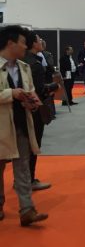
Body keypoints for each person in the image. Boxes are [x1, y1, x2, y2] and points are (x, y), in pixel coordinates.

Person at [0, 25, 48, 226]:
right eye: (22, 42)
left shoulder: (24, 67)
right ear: (10, 43)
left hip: (21, 123)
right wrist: (11, 93)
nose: (25, 46)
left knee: (23, 167)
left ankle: (27, 210)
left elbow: (31, 90)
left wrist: (32, 101)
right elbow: (11, 93)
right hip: (2, 126)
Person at [23, 31, 59, 191]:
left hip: (24, 109)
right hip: (35, 109)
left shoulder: (22, 61)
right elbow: (38, 90)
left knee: (25, 146)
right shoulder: (35, 64)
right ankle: (30, 179)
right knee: (34, 144)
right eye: (39, 40)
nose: (41, 42)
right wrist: (53, 87)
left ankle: (23, 179)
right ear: (33, 43)